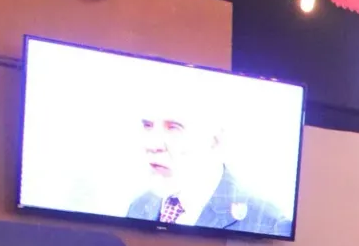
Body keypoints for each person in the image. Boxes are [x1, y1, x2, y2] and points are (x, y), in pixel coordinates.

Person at [124, 92, 292, 237]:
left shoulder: (269, 223)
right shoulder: (139, 206)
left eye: (174, 128)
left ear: (215, 140)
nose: (153, 145)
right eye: (148, 126)